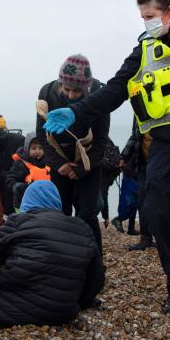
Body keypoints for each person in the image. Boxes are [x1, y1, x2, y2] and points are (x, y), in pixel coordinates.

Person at [44, 0, 170, 315]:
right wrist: (75, 111)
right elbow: (115, 89)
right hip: (162, 145)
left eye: (149, 16)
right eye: (142, 16)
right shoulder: (144, 49)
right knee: (160, 217)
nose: (146, 22)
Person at [0, 181, 105, 327]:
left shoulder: (17, 221)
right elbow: (96, 277)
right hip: (63, 312)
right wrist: (80, 301)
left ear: (27, 201)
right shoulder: (82, 228)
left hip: (17, 310)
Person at [36, 54, 110, 253]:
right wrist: (58, 163)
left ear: (86, 89)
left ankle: (94, 262)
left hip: (89, 159)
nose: (70, 95)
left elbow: (102, 140)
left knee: (87, 213)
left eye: (76, 91)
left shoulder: (99, 95)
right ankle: (63, 256)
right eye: (66, 89)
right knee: (60, 210)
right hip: (59, 158)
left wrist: (82, 170)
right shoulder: (46, 92)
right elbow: (42, 135)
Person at [121, 124, 155, 251]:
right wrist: (124, 156)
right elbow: (135, 136)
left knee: (163, 202)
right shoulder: (138, 111)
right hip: (143, 164)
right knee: (141, 201)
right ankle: (145, 238)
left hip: (163, 161)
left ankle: (166, 238)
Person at [5, 132, 50, 210]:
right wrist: (16, 186)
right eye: (33, 148)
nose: (37, 151)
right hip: (25, 203)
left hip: (45, 203)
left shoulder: (49, 163)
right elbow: (10, 180)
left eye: (40, 148)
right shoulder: (21, 164)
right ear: (27, 148)